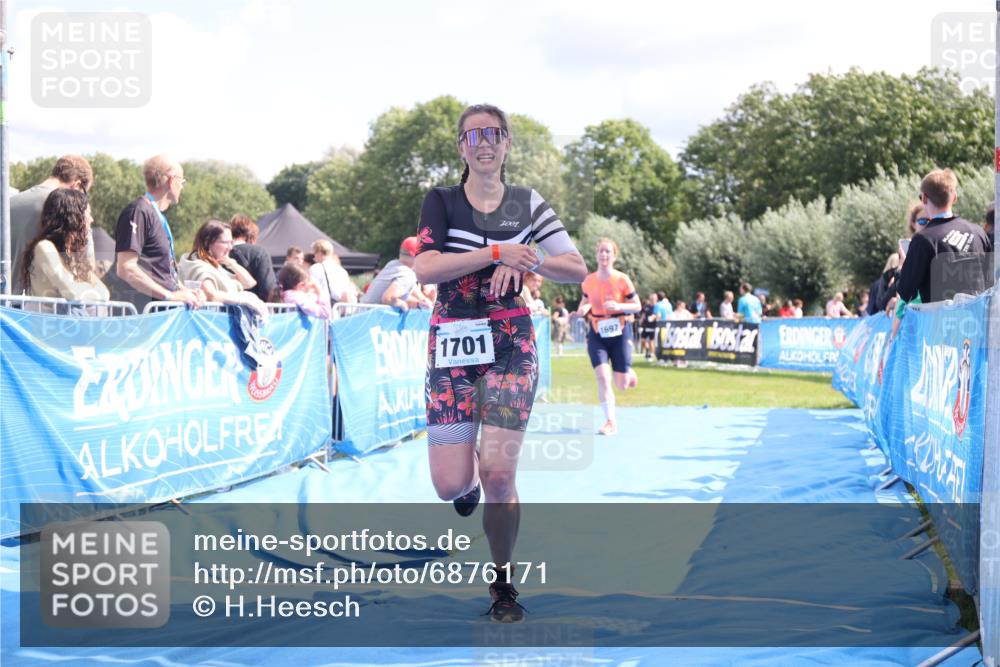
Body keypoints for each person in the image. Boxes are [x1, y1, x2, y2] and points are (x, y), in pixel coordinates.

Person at [413, 103, 586, 623]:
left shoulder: (528, 203)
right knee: (449, 485)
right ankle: (462, 488)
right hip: (453, 344)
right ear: (462, 148)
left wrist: (524, 255)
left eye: (493, 133)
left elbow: (574, 268)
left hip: (512, 343)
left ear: (507, 143)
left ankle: (503, 583)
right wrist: (495, 253)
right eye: (473, 135)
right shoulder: (441, 201)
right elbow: (425, 268)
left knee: (498, 473)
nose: (483, 142)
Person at [110, 155, 203, 310]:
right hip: (143, 316)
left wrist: (184, 291)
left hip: (159, 314)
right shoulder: (138, 211)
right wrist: (170, 296)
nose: (182, 187)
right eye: (182, 181)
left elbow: (160, 271)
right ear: (172, 180)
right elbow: (126, 268)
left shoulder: (154, 214)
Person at [896, 169, 993, 308]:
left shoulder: (923, 239)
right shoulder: (979, 233)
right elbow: (992, 282)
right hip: (976, 324)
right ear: (954, 197)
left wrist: (901, 269)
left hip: (941, 326)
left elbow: (906, 293)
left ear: (924, 198)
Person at [577, 238, 642, 437]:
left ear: (614, 256)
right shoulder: (588, 280)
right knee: (603, 378)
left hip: (619, 331)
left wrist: (619, 306)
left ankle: (628, 373)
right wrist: (582, 310)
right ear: (597, 255)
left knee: (621, 384)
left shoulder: (622, 279)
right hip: (597, 333)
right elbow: (583, 304)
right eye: (601, 251)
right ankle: (610, 421)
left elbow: (637, 306)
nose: (604, 255)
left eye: (608, 252)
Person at [10, 155, 93, 295]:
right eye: (84, 193)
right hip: (47, 308)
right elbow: (88, 264)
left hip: (7, 306)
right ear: (77, 184)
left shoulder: (8, 204)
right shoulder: (71, 209)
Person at [18, 189, 108, 308]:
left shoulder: (74, 255)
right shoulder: (44, 247)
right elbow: (73, 294)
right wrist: (87, 288)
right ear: (74, 217)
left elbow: (105, 293)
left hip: (63, 324)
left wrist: (81, 290)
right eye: (88, 214)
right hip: (43, 324)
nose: (92, 219)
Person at [178, 220, 268, 319]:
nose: (230, 247)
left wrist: (232, 264)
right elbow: (211, 295)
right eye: (225, 242)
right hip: (208, 324)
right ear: (208, 242)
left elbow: (249, 283)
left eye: (231, 242)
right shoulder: (198, 265)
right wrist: (244, 300)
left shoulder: (214, 267)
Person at [361, 236, 433, 310]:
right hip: (371, 318)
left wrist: (421, 301)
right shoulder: (407, 275)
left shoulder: (393, 264)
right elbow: (389, 298)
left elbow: (409, 290)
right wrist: (403, 305)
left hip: (361, 314)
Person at [228, 215, 277, 302]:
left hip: (221, 309)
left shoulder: (218, 252)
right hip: (253, 309)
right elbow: (268, 288)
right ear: (251, 234)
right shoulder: (259, 253)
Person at [310, 240, 357, 306]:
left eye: (314, 252)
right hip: (341, 308)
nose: (314, 256)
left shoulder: (315, 268)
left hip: (325, 307)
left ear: (319, 252)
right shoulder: (342, 270)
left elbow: (313, 290)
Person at [639, 292, 659, 360]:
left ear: (656, 299)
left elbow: (658, 316)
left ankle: (652, 354)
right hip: (645, 326)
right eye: (651, 298)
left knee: (651, 341)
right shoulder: (646, 306)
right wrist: (640, 322)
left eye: (654, 298)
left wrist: (654, 317)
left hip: (653, 326)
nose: (652, 299)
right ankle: (647, 351)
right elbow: (643, 315)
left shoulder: (657, 307)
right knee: (642, 340)